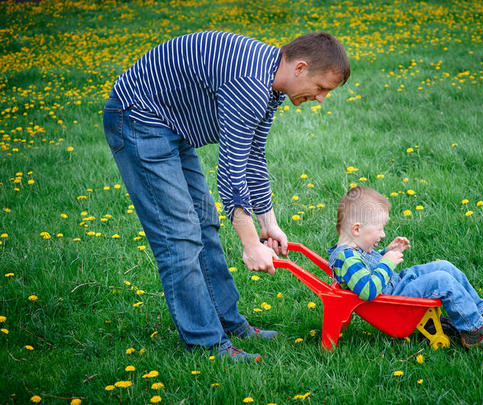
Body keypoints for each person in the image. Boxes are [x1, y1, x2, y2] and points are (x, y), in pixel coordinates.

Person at [102, 30, 350, 361]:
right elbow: (231, 171)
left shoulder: (272, 84)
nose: (320, 99)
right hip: (139, 118)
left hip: (170, 124)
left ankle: (227, 322)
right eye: (321, 89)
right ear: (300, 68)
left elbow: (252, 156)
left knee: (204, 223)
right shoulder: (251, 84)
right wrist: (250, 245)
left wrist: (268, 223)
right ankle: (206, 344)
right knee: (180, 235)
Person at [328, 186, 483, 347]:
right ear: (357, 229)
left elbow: (368, 268)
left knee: (444, 266)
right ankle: (473, 330)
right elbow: (368, 290)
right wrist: (387, 261)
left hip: (397, 285)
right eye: (379, 229)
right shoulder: (347, 260)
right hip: (393, 300)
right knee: (441, 280)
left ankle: (480, 313)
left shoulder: (354, 250)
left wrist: (387, 252)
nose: (383, 234)